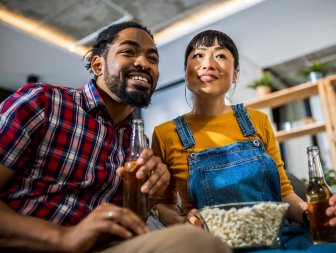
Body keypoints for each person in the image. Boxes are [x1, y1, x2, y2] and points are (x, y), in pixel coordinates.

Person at [0, 22, 232, 253]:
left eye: (152, 59)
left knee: (199, 239)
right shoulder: (43, 102)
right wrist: (62, 237)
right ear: (98, 65)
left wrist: (149, 197)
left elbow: (134, 219)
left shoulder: (137, 142)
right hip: (35, 243)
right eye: (128, 52)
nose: (143, 63)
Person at [151, 30, 336, 252]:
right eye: (197, 55)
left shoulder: (257, 121)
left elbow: (284, 192)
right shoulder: (166, 134)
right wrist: (183, 223)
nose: (207, 63)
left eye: (220, 56)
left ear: (235, 74)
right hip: (220, 246)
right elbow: (163, 204)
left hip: (284, 238)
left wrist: (307, 213)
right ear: (186, 71)